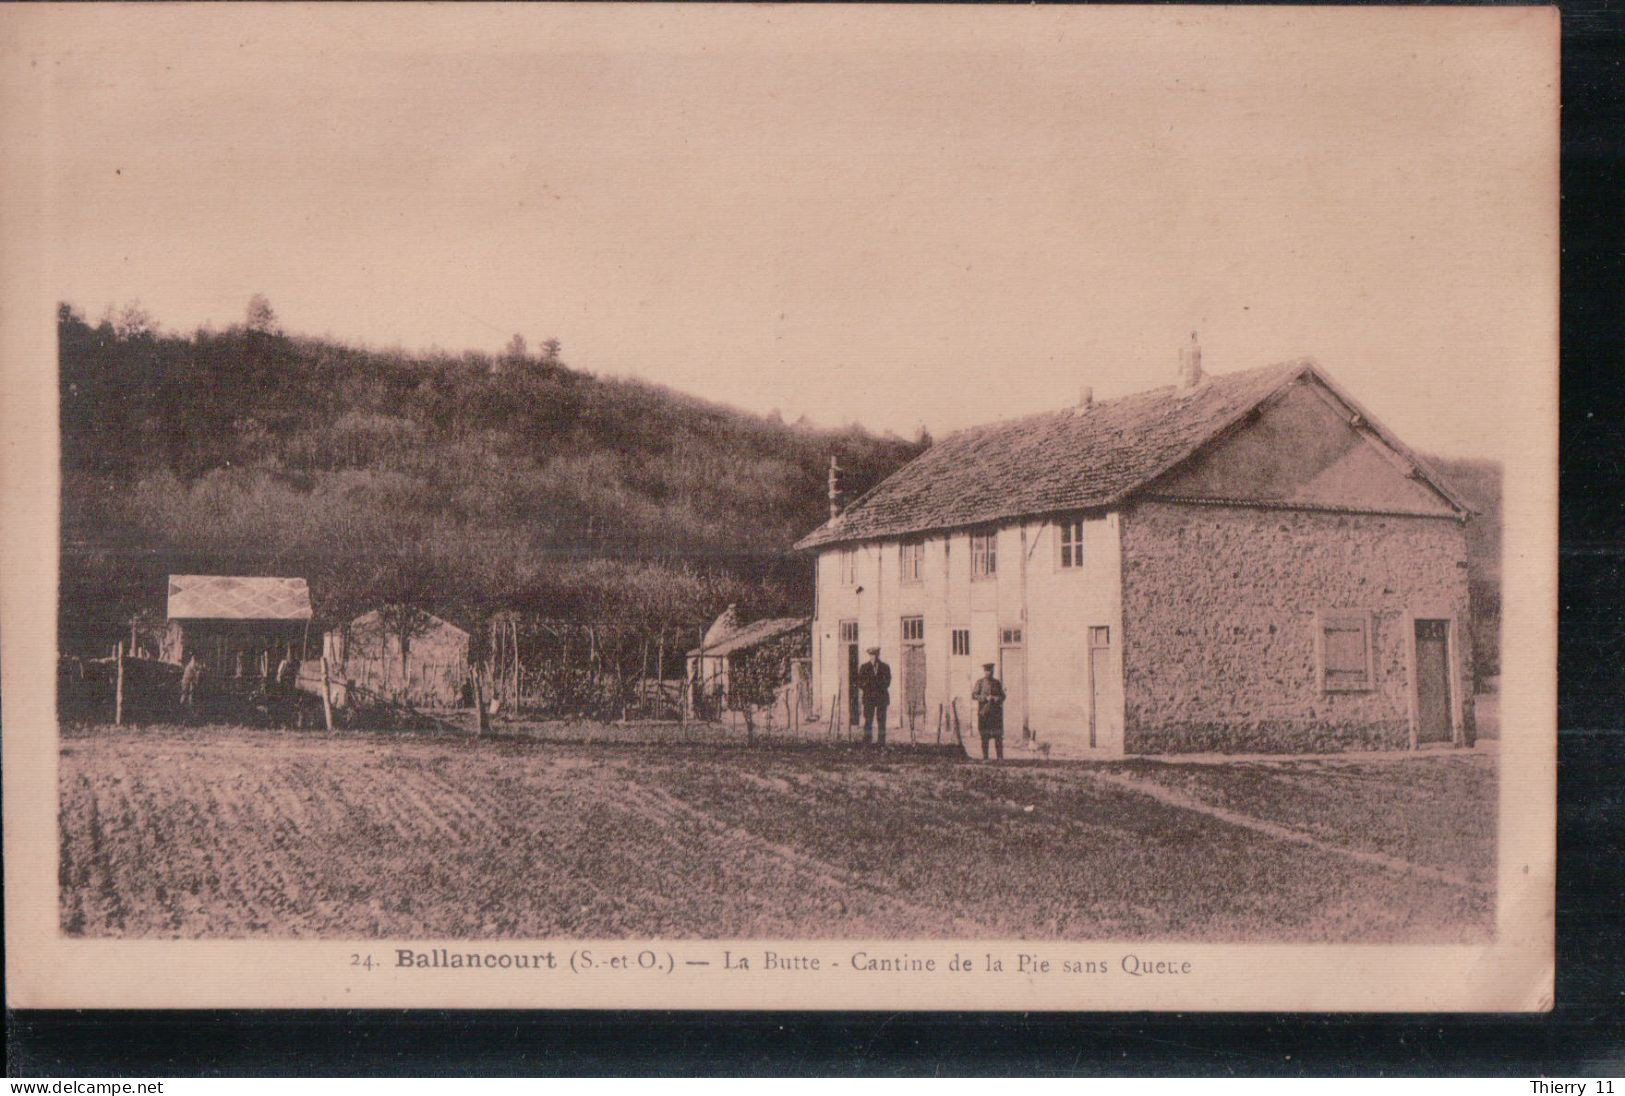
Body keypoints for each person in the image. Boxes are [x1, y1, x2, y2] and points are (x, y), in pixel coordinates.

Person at [855, 646, 891, 746]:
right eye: (871, 655)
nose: (873, 658)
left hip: (881, 697)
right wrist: (868, 688)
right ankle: (867, 741)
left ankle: (881, 742)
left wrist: (879, 687)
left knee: (881, 720)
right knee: (868, 720)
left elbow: (887, 681)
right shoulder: (864, 667)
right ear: (869, 656)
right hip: (869, 698)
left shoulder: (885, 667)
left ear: (878, 655)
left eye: (875, 655)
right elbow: (859, 682)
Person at [972, 662, 1006, 761]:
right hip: (984, 714)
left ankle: (1000, 758)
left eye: (991, 671)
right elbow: (974, 695)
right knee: (984, 736)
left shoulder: (997, 683)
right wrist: (985, 698)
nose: (989, 673)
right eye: (987, 671)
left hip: (995, 715)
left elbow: (1003, 696)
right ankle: (985, 757)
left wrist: (996, 698)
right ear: (984, 671)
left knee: (998, 736)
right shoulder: (980, 683)